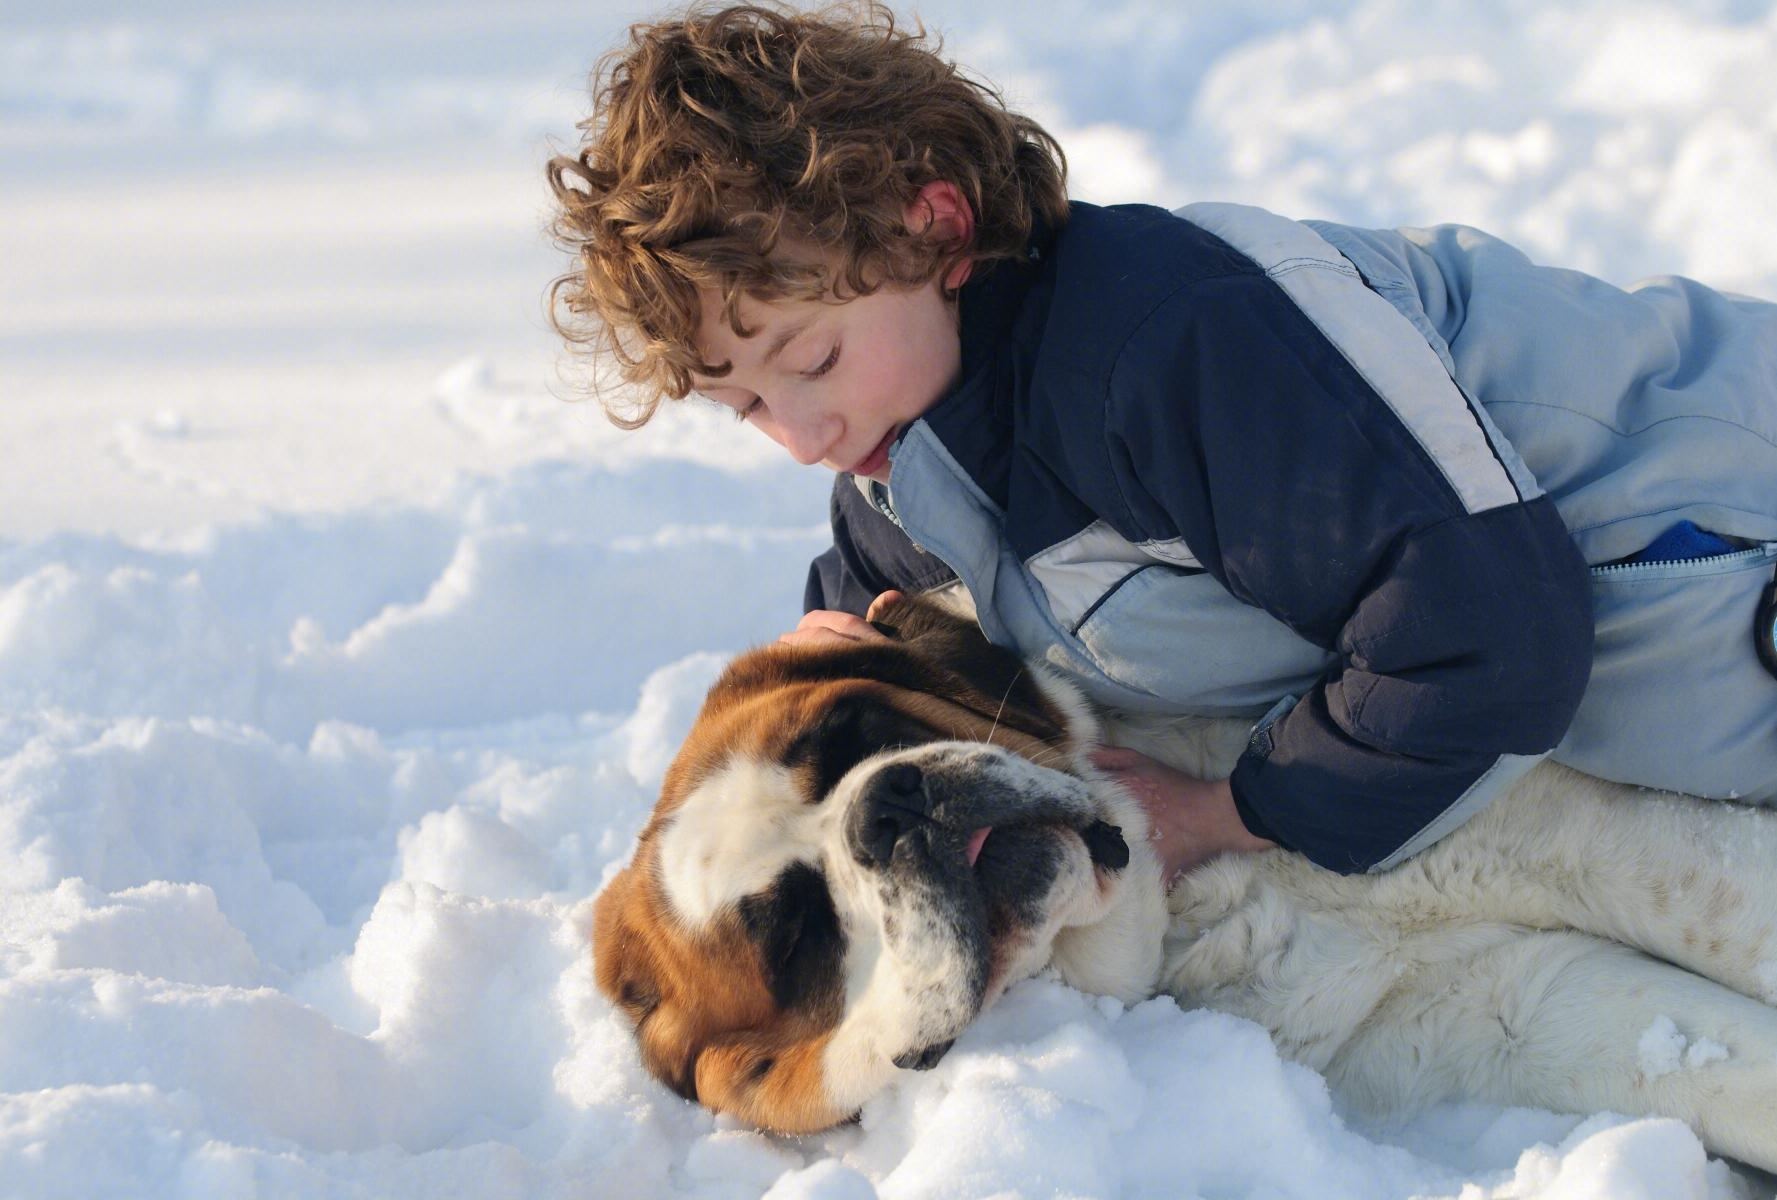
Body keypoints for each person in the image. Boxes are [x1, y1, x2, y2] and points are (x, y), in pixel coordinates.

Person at [547, 2, 1777, 878]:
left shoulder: (1164, 348)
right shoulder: (909, 448)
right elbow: (877, 599)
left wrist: (1233, 812)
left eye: (810, 362)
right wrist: (822, 672)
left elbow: (1489, 626)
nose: (804, 437)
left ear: (935, 228)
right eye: (749, 407)